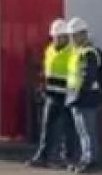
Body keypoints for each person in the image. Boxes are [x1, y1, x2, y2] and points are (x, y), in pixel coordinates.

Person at [63, 17, 102, 174]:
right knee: (83, 131)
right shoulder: (79, 52)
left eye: (74, 35)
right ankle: (86, 158)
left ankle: (90, 159)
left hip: (84, 98)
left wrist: (77, 95)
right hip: (77, 97)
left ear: (83, 34)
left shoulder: (88, 53)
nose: (71, 39)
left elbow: (87, 77)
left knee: (87, 131)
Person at [27, 19, 73, 167]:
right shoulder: (50, 49)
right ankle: (42, 156)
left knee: (68, 129)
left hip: (67, 95)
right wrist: (44, 86)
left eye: (61, 36)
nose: (58, 39)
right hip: (52, 94)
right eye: (55, 36)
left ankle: (67, 158)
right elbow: (48, 71)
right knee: (47, 127)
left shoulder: (72, 52)